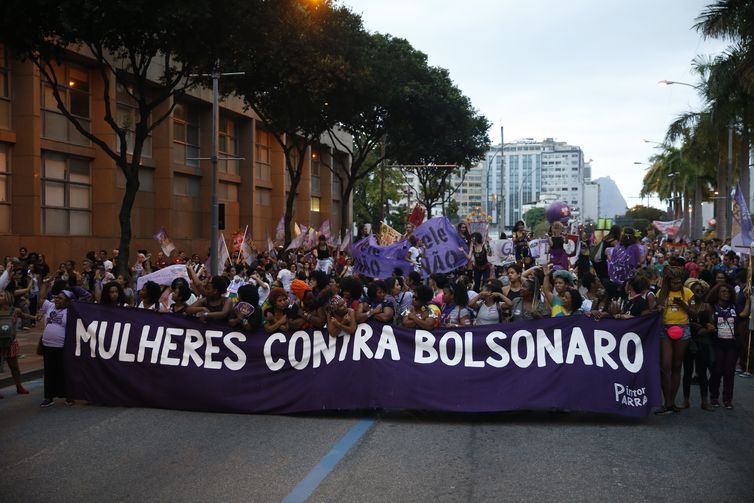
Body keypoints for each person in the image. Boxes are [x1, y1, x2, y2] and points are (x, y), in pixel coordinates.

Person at [655, 266, 694, 415]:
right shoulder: (662, 293)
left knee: (677, 365)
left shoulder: (688, 292)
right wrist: (659, 308)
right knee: (666, 366)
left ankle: (672, 401)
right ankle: (666, 401)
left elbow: (694, 312)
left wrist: (682, 304)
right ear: (668, 282)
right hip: (665, 329)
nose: (676, 285)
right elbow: (655, 310)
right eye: (673, 283)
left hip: (683, 329)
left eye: (679, 282)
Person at [708, 282, 750, 409]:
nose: (726, 294)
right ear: (717, 293)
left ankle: (727, 399)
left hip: (732, 344)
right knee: (716, 371)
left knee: (729, 371)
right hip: (717, 343)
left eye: (728, 291)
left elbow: (744, 314)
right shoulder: (712, 307)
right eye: (723, 291)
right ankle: (714, 397)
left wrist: (748, 299)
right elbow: (707, 321)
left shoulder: (734, 306)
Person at [37, 278, 75, 407]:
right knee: (49, 372)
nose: (57, 300)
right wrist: (44, 284)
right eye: (57, 297)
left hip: (62, 347)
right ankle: (48, 397)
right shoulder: (51, 306)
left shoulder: (71, 312)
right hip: (47, 346)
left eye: (61, 299)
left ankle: (69, 396)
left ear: (68, 302)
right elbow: (41, 299)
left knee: (63, 372)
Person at [682, 278, 714, 411]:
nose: (700, 292)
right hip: (689, 340)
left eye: (702, 291)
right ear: (692, 292)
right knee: (687, 372)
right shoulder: (687, 304)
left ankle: (704, 401)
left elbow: (712, 326)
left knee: (702, 372)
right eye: (697, 291)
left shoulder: (707, 306)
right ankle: (686, 400)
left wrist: (705, 329)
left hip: (702, 341)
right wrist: (694, 325)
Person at [0, 291, 30, 397]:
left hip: (11, 342)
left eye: (1, 295)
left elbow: (24, 315)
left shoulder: (15, 310)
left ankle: (19, 387)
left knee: (14, 367)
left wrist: (34, 317)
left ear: (8, 298)